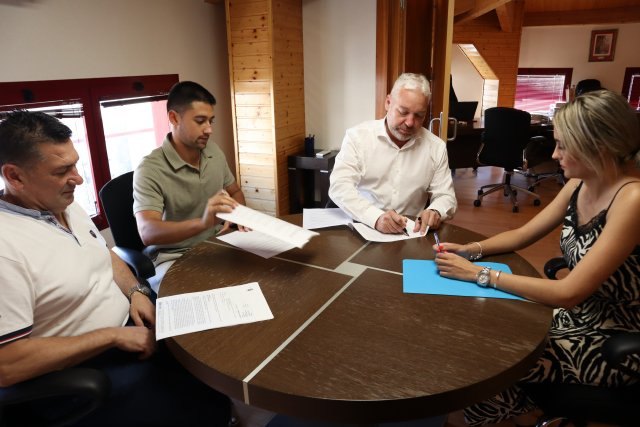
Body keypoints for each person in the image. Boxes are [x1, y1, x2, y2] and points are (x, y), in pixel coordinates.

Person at [0, 110, 231, 426]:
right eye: (61, 170)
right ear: (14, 176)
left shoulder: (63, 203)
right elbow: (7, 366)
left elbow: (103, 253)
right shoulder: (6, 250)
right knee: (199, 408)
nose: (78, 178)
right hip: (84, 373)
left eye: (75, 163)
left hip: (130, 331)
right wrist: (112, 337)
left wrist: (136, 291)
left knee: (215, 371)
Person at [434, 90, 640, 426]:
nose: (554, 154)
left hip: (612, 336)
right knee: (477, 335)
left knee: (488, 366)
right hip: (574, 315)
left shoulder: (632, 199)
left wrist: (478, 273)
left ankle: (499, 414)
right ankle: (523, 413)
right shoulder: (580, 183)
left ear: (598, 147)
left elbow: (568, 292)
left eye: (562, 145)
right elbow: (522, 234)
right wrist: (470, 250)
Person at [134, 81, 247, 293]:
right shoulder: (149, 168)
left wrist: (235, 215)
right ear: (173, 118)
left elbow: (235, 193)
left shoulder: (213, 151)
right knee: (207, 301)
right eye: (200, 121)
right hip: (174, 257)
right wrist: (204, 222)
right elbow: (148, 232)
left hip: (217, 245)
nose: (209, 129)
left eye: (211, 121)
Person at [328, 72, 457, 235]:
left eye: (419, 115)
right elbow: (340, 186)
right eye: (403, 112)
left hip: (410, 233)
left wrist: (436, 211)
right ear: (388, 103)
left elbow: (446, 196)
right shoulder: (358, 137)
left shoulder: (436, 147)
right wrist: (376, 218)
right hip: (362, 226)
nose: (410, 123)